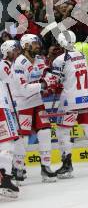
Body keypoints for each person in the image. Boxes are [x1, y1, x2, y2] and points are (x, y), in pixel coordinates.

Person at [52, 31, 88, 179]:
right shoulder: (81, 55)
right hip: (87, 97)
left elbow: (55, 81)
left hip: (70, 100)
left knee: (63, 131)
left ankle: (67, 163)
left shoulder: (59, 60)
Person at [13, 34, 57, 182]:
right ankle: (18, 167)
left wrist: (52, 79)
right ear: (25, 46)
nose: (38, 45)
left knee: (45, 132)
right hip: (23, 103)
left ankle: (46, 167)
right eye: (34, 43)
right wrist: (43, 85)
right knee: (23, 137)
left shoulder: (40, 59)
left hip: (37, 102)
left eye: (38, 43)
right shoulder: (19, 63)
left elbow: (46, 72)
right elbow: (23, 89)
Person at [0, 41, 20, 198]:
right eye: (15, 50)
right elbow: (14, 86)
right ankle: (4, 179)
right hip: (2, 108)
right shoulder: (5, 64)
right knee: (8, 145)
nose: (17, 52)